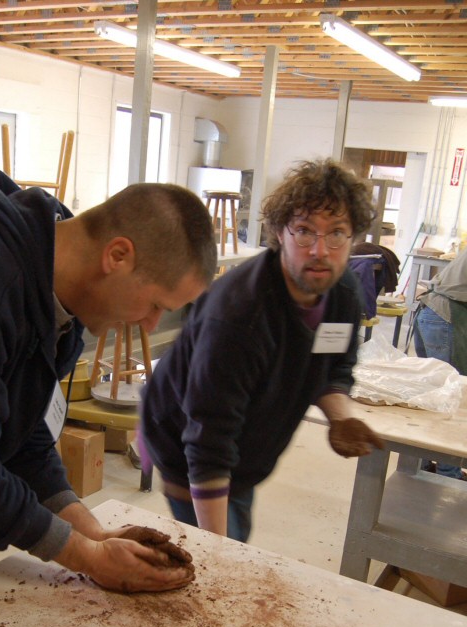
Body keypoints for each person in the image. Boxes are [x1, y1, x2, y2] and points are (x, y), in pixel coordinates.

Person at [0, 163, 217, 627]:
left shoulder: (56, 299)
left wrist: (90, 532)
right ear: (118, 255)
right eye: (156, 305)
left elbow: (24, 431)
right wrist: (90, 558)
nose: (152, 326)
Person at [140, 158, 384, 543]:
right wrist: (219, 554)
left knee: (237, 520)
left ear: (353, 237)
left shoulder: (342, 294)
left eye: (336, 233)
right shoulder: (239, 316)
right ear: (280, 234)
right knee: (215, 558)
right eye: (304, 231)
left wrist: (339, 416)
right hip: (184, 441)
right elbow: (208, 442)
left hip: (246, 442)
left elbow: (334, 365)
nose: (320, 250)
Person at [414, 247, 467, 480]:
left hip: (430, 312)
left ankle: (423, 464)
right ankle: (447, 474)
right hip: (445, 317)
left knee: (432, 394)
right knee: (453, 398)